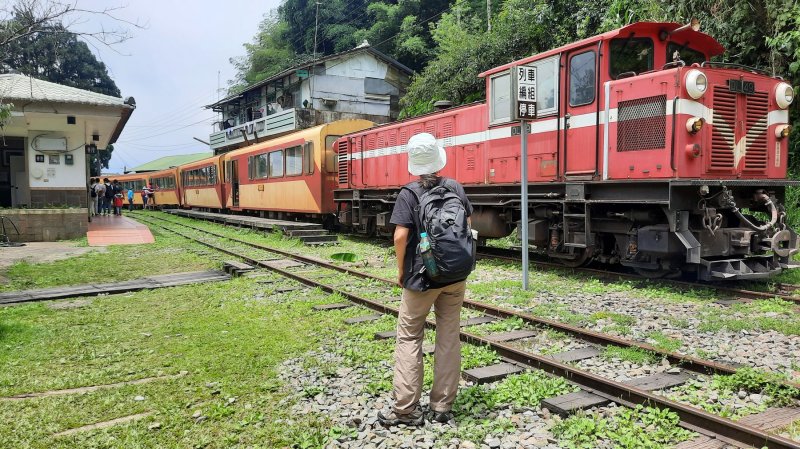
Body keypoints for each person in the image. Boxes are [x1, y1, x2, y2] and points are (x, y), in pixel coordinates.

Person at [377, 133, 474, 427]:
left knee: (409, 337)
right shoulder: (454, 186)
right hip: (455, 277)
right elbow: (467, 227)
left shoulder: (409, 192)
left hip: (421, 278)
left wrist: (400, 271)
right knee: (448, 336)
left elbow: (400, 236)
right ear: (438, 159)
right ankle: (442, 406)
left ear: (414, 164)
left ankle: (405, 409)